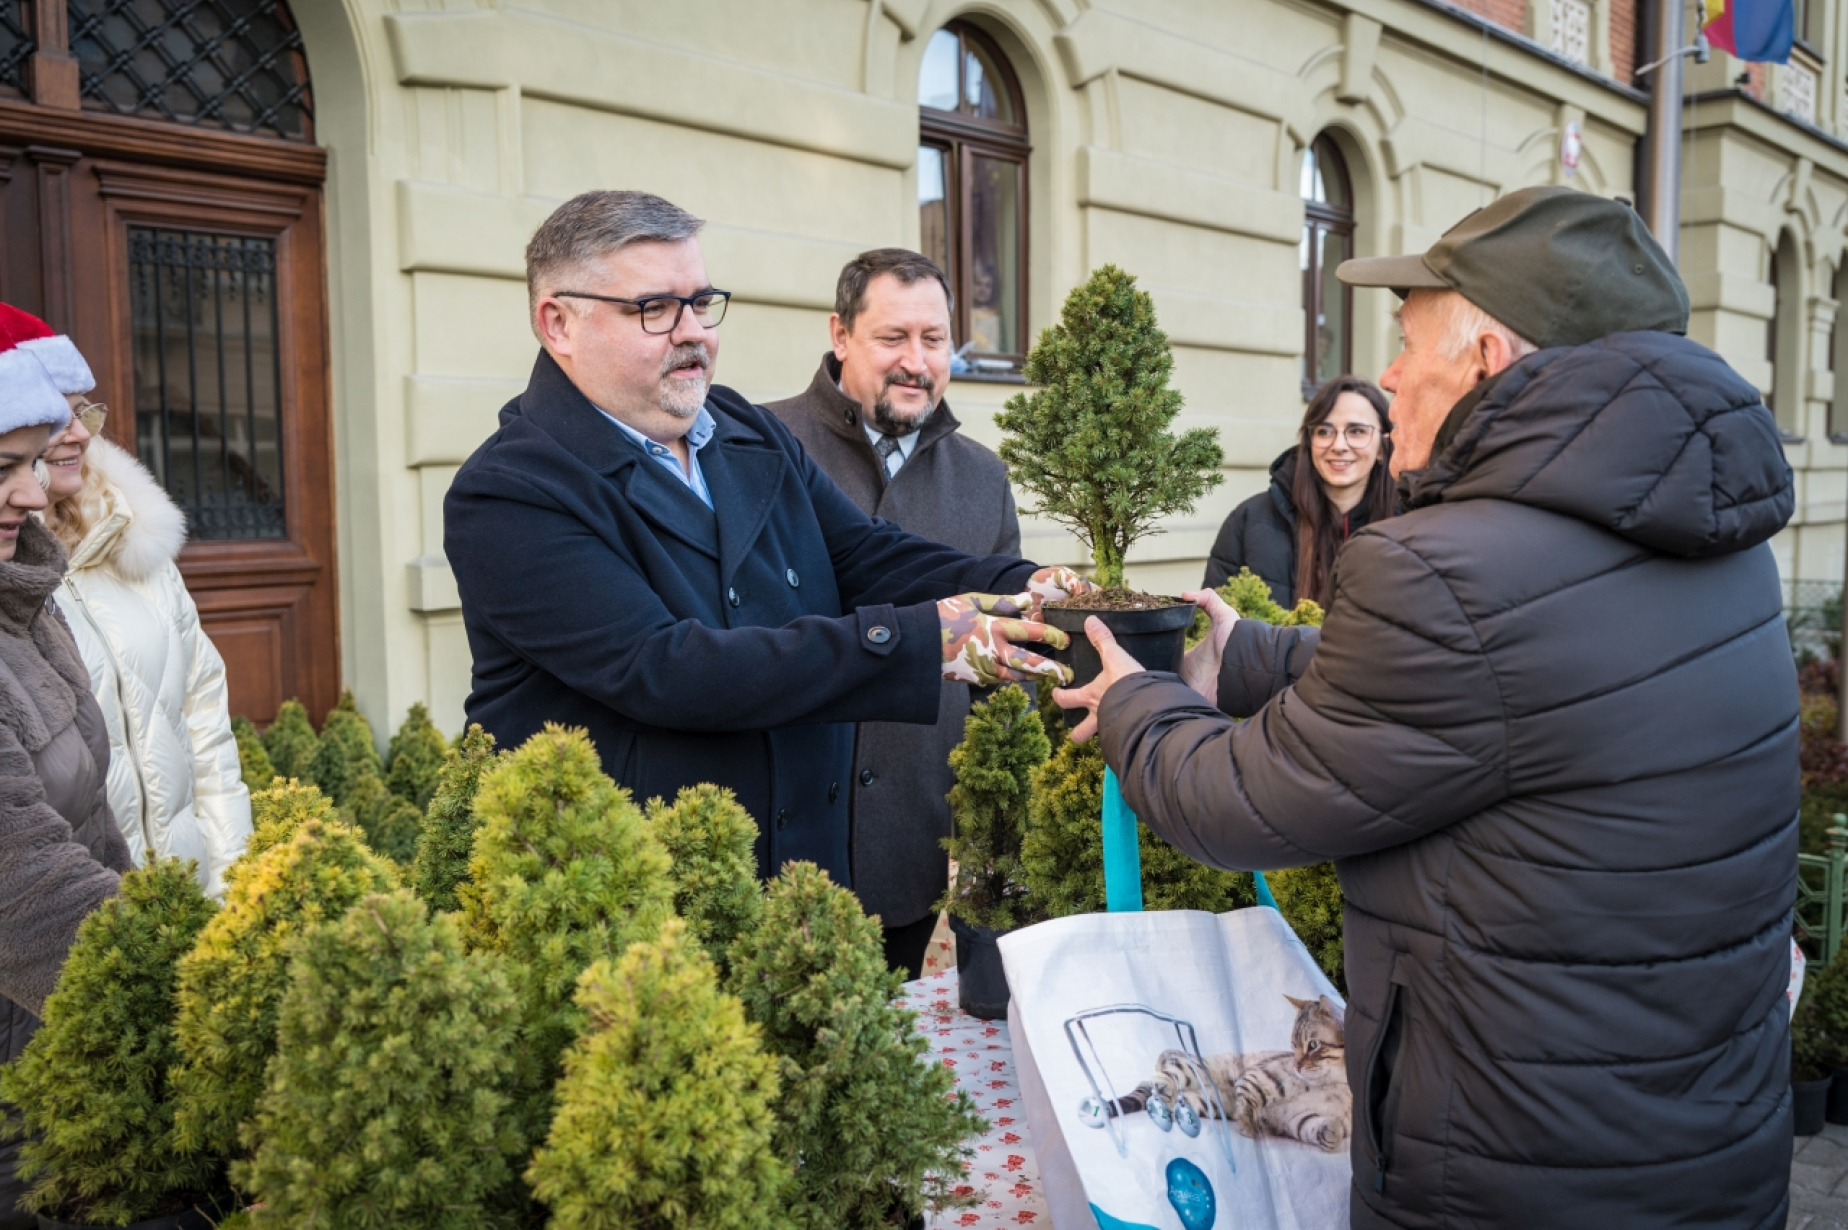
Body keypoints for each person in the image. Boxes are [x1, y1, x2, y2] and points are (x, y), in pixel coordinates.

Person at [1056, 187, 1796, 1229]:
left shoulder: (1443, 568)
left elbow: (1242, 803)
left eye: (1408, 350)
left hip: (1511, 1165)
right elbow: (1534, 688)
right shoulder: (1712, 540)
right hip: (1700, 1145)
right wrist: (1258, 656)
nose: (1390, 382)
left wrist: (1139, 704)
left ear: (1489, 358)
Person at [445, 191, 1089, 887]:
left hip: (805, 877)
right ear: (558, 324)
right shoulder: (510, 490)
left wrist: (1018, 587)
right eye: (655, 309)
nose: (693, 332)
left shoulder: (741, 426)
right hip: (637, 901)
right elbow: (667, 670)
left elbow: (863, 552)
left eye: (701, 302)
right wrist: (921, 640)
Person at [766, 248, 1020, 978]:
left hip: (911, 842)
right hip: (782, 838)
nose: (917, 362)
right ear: (840, 335)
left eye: (934, 340)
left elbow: (1000, 677)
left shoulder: (983, 478)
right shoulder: (761, 446)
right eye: (892, 339)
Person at [17, 311, 250, 900]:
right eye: (53, 415)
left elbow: (206, 731)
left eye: (83, 411)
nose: (78, 433)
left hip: (182, 902)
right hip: (70, 927)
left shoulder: (137, 546)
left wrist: (229, 886)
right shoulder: (15, 580)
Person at [0, 309, 133, 1227]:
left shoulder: (22, 600)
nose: (31, 496)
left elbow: (93, 822)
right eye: (0, 468)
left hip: (51, 1044)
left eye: (29, 463)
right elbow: (26, 884)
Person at [1202, 376, 1394, 606]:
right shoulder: (1249, 520)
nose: (1339, 445)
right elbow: (1212, 625)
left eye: (1357, 431)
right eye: (1324, 431)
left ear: (1382, 448)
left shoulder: (1409, 524)